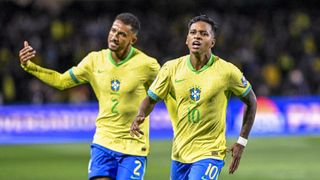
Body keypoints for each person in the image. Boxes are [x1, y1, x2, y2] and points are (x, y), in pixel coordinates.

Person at [19, 13, 160, 180]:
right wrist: (30, 67)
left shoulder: (147, 65)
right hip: (103, 141)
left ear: (132, 40)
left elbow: (167, 91)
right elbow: (61, 81)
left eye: (122, 34)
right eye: (113, 31)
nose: (115, 36)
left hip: (133, 145)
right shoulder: (94, 61)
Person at [130, 14, 257, 180]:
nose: (197, 36)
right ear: (187, 39)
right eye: (193, 32)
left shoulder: (227, 71)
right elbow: (151, 98)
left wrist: (242, 142)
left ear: (212, 42)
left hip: (210, 152)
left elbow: (251, 102)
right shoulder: (171, 68)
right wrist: (140, 114)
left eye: (204, 34)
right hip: (180, 154)